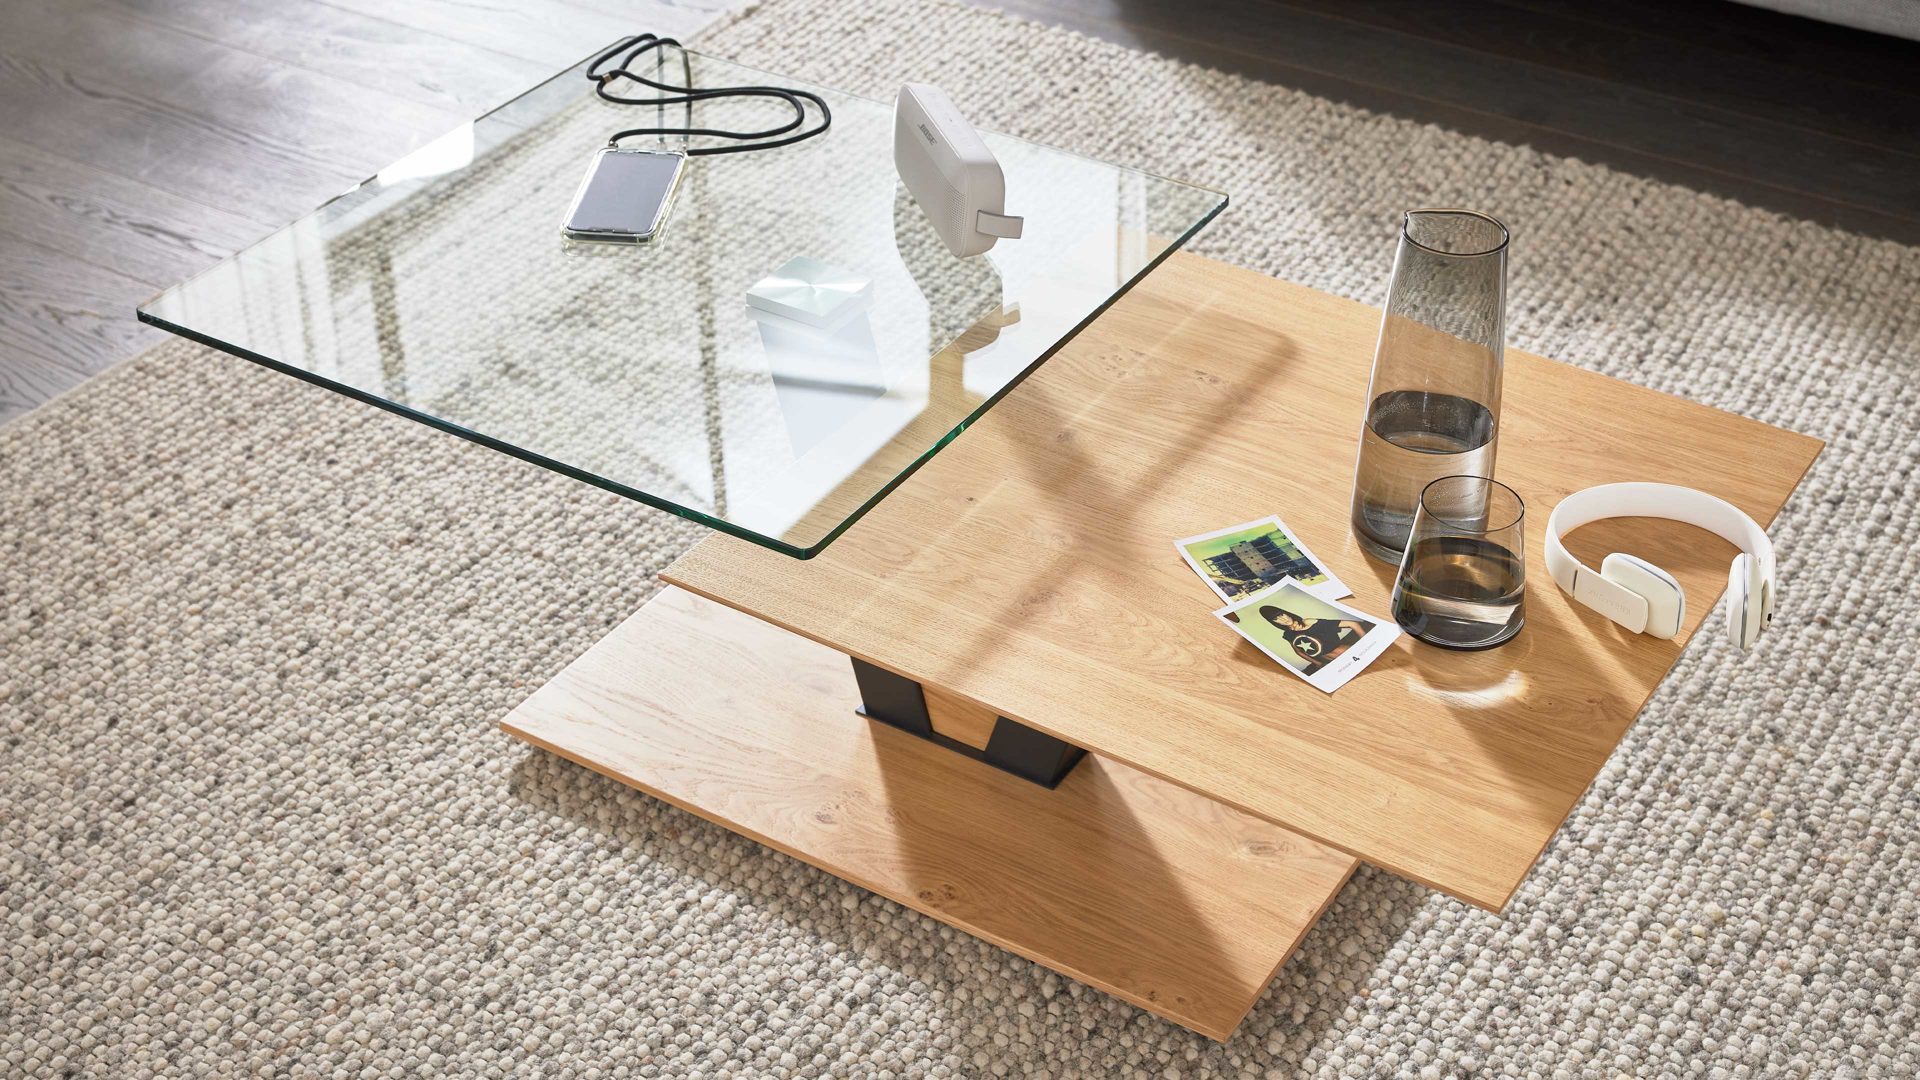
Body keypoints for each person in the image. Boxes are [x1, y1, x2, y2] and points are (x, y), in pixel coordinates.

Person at [1259, 605, 1368, 674]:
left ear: (1286, 612)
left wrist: (1366, 641)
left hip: (1349, 654)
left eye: (1281, 614)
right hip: (1333, 664)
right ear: (1274, 623)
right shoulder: (1288, 634)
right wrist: (1318, 663)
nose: (1282, 619)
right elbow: (1299, 652)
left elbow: (1353, 624)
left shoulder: (1308, 622)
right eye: (1276, 619)